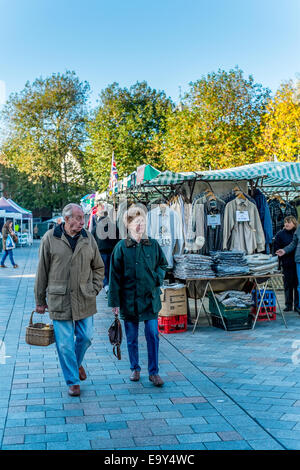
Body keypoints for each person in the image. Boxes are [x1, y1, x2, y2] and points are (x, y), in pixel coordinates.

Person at [34, 203, 104, 396]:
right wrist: (40, 300)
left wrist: (95, 287)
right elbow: (42, 271)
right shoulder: (50, 238)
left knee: (86, 337)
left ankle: (76, 364)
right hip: (60, 298)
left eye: (83, 218)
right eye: (79, 218)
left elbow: (98, 267)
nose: (83, 221)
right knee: (64, 344)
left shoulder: (88, 238)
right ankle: (73, 380)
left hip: (84, 296)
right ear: (67, 219)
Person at [108, 205, 168, 387]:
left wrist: (156, 278)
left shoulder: (153, 245)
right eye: (136, 222)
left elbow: (163, 265)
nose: (140, 225)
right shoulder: (121, 247)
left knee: (152, 334)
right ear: (129, 225)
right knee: (132, 337)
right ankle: (135, 368)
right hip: (129, 300)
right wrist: (115, 302)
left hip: (150, 299)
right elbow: (114, 276)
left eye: (142, 221)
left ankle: (154, 372)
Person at [91, 208, 119, 298]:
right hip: (112, 253)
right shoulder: (114, 227)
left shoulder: (96, 227)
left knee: (103, 272)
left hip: (101, 253)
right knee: (111, 271)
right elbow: (119, 239)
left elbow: (92, 240)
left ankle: (107, 288)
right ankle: (111, 288)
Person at [274, 216, 299, 312]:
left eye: (289, 222)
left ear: (294, 223)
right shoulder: (280, 234)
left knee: (297, 285)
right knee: (287, 285)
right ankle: (288, 304)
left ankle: (297, 305)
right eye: (285, 222)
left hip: (296, 262)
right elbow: (276, 248)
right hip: (286, 263)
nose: (286, 224)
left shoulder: (297, 233)